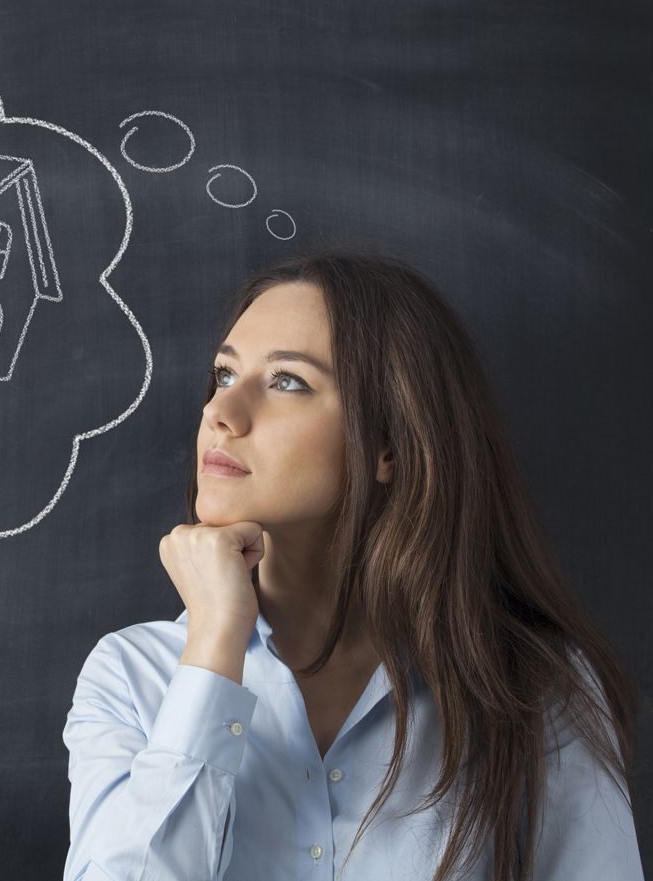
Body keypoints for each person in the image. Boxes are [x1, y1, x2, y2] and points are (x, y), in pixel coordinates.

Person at [61, 250, 644, 881]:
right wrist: (214, 644)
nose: (221, 413)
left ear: (389, 446)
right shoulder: (130, 676)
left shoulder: (534, 686)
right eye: (224, 375)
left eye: (287, 381)